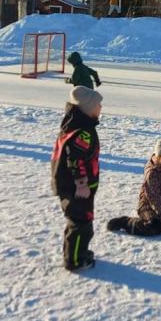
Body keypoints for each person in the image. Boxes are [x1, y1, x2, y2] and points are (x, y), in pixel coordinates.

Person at [50, 85, 104, 272]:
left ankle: (78, 252)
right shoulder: (83, 133)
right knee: (81, 223)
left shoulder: (75, 125)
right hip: (77, 188)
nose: (100, 108)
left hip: (75, 186)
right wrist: (81, 183)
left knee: (79, 221)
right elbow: (75, 160)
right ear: (87, 108)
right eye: (98, 105)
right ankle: (74, 260)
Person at [107, 139, 161, 236]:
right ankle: (125, 222)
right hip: (150, 206)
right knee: (154, 227)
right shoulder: (152, 173)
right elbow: (155, 200)